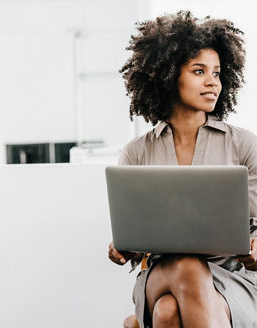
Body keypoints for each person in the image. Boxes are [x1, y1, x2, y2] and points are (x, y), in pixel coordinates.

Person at [108, 11, 257, 328]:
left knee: (167, 313)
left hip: (232, 276)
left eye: (217, 73)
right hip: (161, 272)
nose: (212, 82)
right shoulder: (136, 152)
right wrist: (123, 248)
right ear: (168, 75)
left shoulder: (245, 145)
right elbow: (132, 233)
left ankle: (138, 323)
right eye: (199, 71)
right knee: (187, 267)